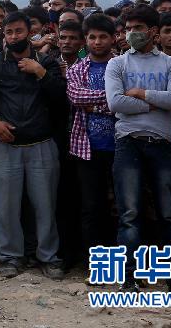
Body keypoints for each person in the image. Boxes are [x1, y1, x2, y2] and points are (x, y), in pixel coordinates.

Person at [0, 11, 67, 280]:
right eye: (9, 32)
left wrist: (40, 73)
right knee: (6, 207)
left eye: (18, 31)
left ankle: (48, 257)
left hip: (42, 144)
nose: (14, 36)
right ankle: (10, 257)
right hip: (5, 146)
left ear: (29, 32)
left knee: (45, 206)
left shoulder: (46, 62)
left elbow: (62, 99)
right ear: (3, 35)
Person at [105, 5, 171, 292]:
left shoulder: (169, 63)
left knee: (169, 214)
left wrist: (140, 94)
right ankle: (128, 279)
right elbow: (115, 103)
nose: (132, 33)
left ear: (152, 31)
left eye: (138, 27)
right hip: (129, 142)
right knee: (129, 214)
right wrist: (155, 103)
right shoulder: (117, 64)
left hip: (163, 144)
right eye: (129, 27)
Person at [66, 13, 117, 256]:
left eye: (103, 37)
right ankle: (94, 261)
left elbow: (125, 99)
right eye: (92, 37)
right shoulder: (77, 68)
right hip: (87, 147)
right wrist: (112, 99)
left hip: (121, 146)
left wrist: (98, 103)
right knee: (91, 206)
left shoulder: (123, 65)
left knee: (123, 205)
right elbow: (76, 97)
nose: (97, 42)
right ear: (85, 40)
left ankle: (123, 261)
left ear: (113, 38)